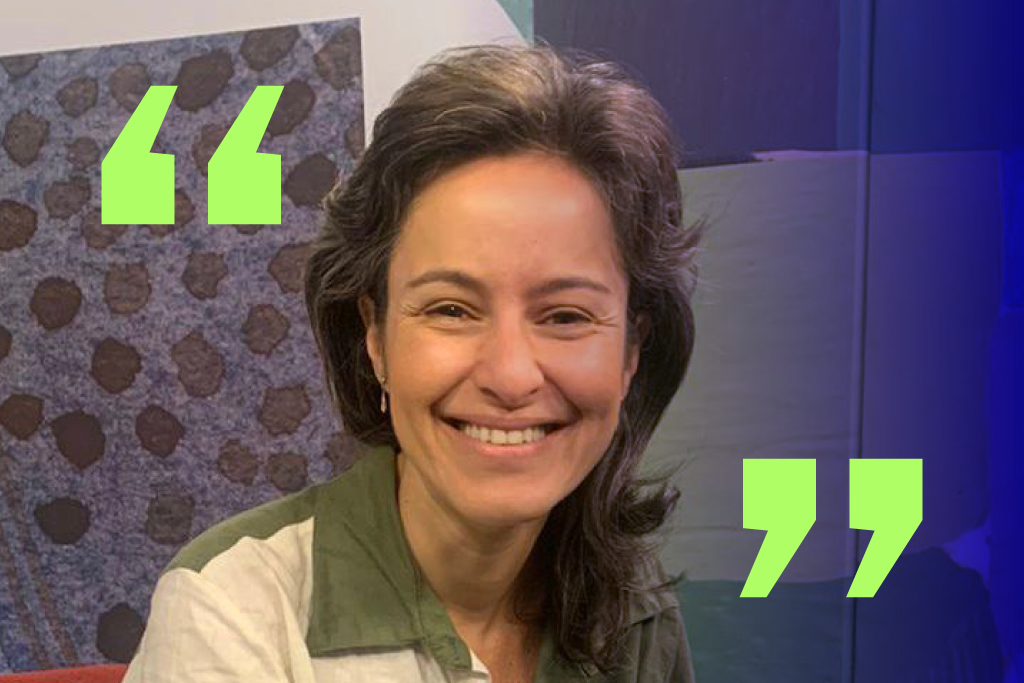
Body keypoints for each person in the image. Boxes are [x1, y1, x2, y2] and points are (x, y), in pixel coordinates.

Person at [123, 42, 702, 683]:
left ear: (631, 352)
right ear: (374, 336)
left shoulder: (632, 605)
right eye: (451, 309)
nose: (511, 376)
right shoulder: (231, 612)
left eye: (566, 316)